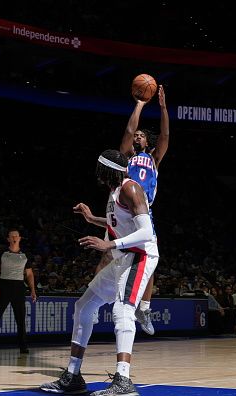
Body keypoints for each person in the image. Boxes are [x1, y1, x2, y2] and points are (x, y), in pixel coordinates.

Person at [40, 149, 158, 396]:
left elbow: (146, 232)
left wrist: (109, 244)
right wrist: (92, 219)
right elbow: (118, 223)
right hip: (121, 258)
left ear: (106, 171)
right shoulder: (114, 192)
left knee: (122, 310)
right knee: (83, 307)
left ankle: (123, 380)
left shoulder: (131, 188)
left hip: (139, 256)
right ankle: (73, 376)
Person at [93, 84, 169, 335]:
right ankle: (93, 305)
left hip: (142, 210)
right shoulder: (125, 160)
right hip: (122, 205)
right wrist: (139, 104)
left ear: (148, 141)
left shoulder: (154, 159)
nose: (136, 136)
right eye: (135, 135)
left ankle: (144, 308)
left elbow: (166, 137)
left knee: (149, 262)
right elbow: (127, 130)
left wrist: (163, 108)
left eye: (141, 135)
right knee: (106, 256)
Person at [0, 228, 37, 354]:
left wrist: (32, 289)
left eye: (16, 236)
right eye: (12, 236)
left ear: (20, 238)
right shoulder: (2, 252)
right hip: (4, 285)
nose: (14, 237)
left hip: (19, 287)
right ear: (8, 239)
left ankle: (23, 346)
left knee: (20, 318)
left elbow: (30, 274)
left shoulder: (26, 253)